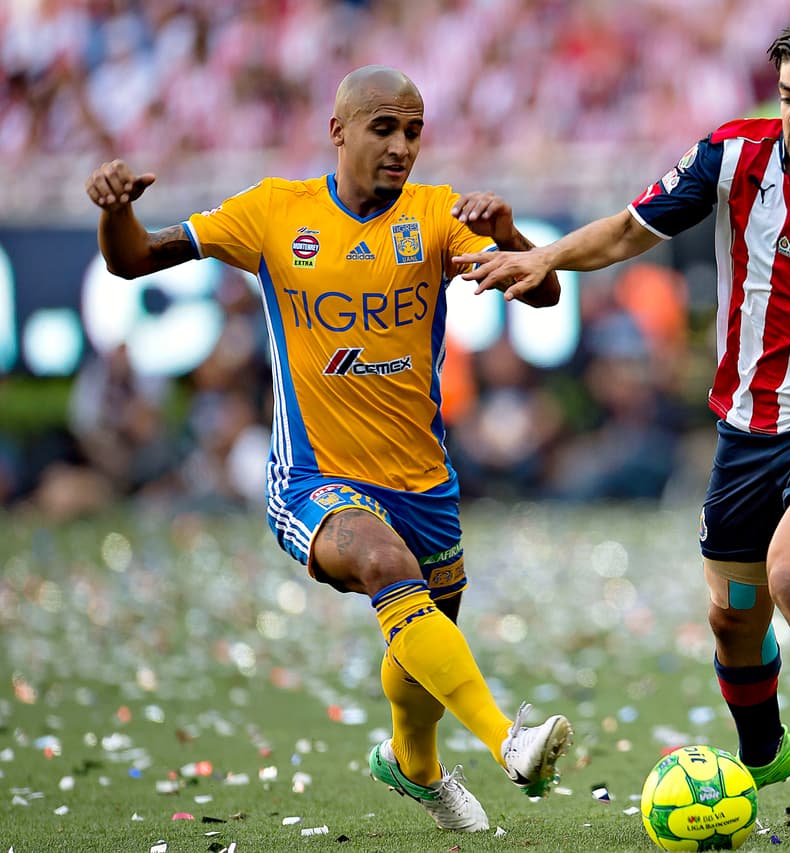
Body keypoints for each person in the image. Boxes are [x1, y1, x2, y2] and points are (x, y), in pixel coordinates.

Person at [456, 14, 790, 842]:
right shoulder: (733, 155)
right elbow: (633, 228)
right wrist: (546, 257)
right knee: (732, 614)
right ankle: (765, 750)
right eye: (787, 98)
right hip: (745, 432)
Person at [85, 65, 572, 834]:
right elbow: (132, 259)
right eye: (384, 127)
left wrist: (509, 235)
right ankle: (509, 740)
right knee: (387, 568)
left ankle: (415, 765)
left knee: (421, 631)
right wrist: (116, 211)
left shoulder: (439, 215)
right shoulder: (275, 212)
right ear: (337, 129)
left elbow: (541, 294)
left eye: (414, 130)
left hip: (424, 481)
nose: (402, 146)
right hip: (313, 476)